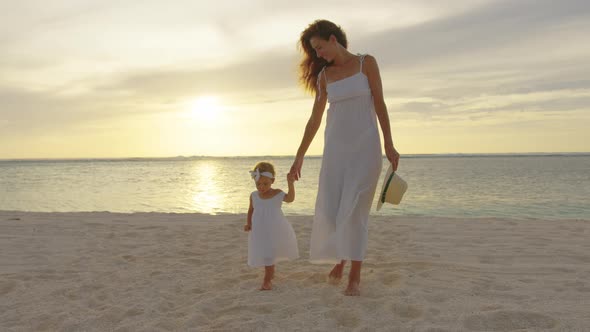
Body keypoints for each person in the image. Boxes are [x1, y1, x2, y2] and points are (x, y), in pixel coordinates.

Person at [289, 19, 400, 296]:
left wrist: (389, 143)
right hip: (336, 151)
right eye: (314, 51)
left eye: (319, 47)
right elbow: (314, 119)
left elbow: (380, 103)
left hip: (366, 148)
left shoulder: (366, 64)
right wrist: (299, 156)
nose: (318, 54)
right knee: (336, 210)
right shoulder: (324, 77)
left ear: (333, 40)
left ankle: (355, 276)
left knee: (356, 211)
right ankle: (340, 260)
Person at [244, 161, 299, 290]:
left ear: (272, 181)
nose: (261, 187)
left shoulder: (277, 194)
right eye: (258, 184)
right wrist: (248, 223)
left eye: (265, 184)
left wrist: (290, 184)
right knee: (265, 251)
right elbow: (251, 210)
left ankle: (267, 278)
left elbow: (290, 199)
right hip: (259, 229)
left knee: (270, 252)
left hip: (275, 228)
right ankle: (270, 272)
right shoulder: (253, 195)